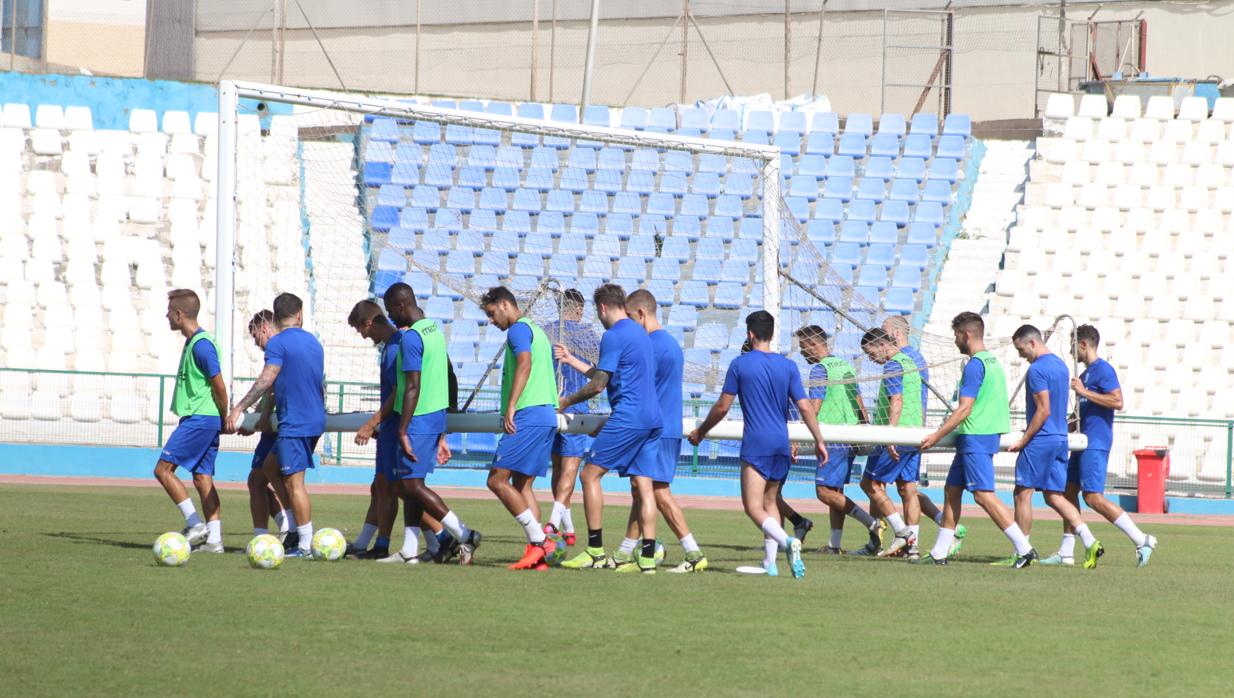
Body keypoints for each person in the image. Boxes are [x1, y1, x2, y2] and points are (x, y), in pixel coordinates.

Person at [688, 311, 829, 579]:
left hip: (757, 443)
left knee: (753, 506)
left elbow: (721, 408)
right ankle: (770, 563)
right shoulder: (788, 367)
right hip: (781, 444)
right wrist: (818, 440)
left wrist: (701, 431)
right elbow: (805, 407)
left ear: (750, 334)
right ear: (772, 334)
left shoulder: (740, 365)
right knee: (770, 500)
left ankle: (788, 542)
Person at [916, 312, 1038, 568]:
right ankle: (940, 552)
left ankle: (1024, 548)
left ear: (966, 335)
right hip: (981, 435)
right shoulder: (991, 361)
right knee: (952, 491)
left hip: (976, 437)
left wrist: (936, 436)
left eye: (956, 336)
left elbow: (964, 409)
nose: (955, 341)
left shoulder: (974, 365)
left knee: (983, 495)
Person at [557, 284, 663, 574]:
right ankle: (648, 559)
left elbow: (599, 384)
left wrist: (565, 401)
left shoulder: (613, 335)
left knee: (589, 475)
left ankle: (594, 550)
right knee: (644, 485)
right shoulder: (640, 334)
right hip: (653, 418)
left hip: (630, 416)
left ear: (602, 308)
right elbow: (607, 373)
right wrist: (572, 359)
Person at [380, 282, 482, 564]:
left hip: (418, 418)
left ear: (402, 306)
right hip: (433, 416)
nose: (390, 317)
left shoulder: (412, 338)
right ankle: (410, 550)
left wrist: (402, 429)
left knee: (411, 485)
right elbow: (448, 374)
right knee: (408, 484)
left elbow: (412, 386)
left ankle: (464, 534)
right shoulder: (432, 329)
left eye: (391, 311)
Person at [226, 292, 326, 559]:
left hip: (295, 421)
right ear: (300, 314)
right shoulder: (314, 342)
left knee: (295, 484)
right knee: (269, 467)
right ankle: (292, 527)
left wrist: (239, 408)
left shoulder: (278, 344)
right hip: (313, 418)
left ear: (275, 316)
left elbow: (267, 379)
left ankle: (304, 543)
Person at [616, 289, 708, 573]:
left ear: (641, 314)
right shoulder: (667, 342)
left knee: (656, 492)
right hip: (665, 426)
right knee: (641, 489)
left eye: (630, 318)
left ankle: (693, 553)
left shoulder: (653, 345)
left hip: (659, 428)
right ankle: (625, 551)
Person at [1052, 324, 1157, 567]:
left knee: (1093, 497)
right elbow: (1084, 411)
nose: (1070, 351)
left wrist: (1084, 392)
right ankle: (1066, 552)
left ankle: (1142, 539)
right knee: (1067, 492)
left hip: (1096, 442)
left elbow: (1117, 400)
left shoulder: (1103, 370)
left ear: (1083, 345)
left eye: (1072, 345)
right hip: (1082, 442)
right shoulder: (1088, 374)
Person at [1000, 324, 1102, 568]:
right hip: (1059, 439)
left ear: (1032, 343)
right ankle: (1090, 541)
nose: (1020, 355)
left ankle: (1022, 552)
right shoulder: (1060, 365)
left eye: (1021, 349)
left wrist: (1024, 440)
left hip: (1041, 439)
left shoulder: (1037, 370)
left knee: (1022, 494)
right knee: (1054, 495)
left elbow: (1043, 409)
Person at [479, 286, 559, 570]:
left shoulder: (518, 331)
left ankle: (539, 541)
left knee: (496, 480)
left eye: (491, 314)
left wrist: (511, 405)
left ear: (504, 305)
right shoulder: (536, 331)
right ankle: (537, 556)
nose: (491, 321)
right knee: (522, 485)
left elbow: (524, 364)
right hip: (546, 414)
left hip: (529, 414)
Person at [153, 289, 229, 553]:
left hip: (200, 418)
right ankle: (215, 540)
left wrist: (224, 416)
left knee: (163, 470)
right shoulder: (195, 342)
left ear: (178, 314)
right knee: (202, 478)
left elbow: (219, 385)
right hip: (203, 418)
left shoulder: (202, 345)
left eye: (169, 311)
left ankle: (195, 523)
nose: (166, 315)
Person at [794, 325, 880, 556]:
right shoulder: (844, 366)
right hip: (850, 435)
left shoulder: (820, 370)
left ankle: (872, 523)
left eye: (803, 347)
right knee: (836, 490)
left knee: (824, 492)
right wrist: (864, 428)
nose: (802, 353)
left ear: (814, 344)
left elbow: (814, 405)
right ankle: (834, 545)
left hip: (832, 436)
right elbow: (858, 398)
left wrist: (798, 437)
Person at [880, 315, 960, 558]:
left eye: (884, 331)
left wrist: (890, 431)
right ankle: (913, 544)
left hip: (901, 428)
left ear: (894, 333)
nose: (881, 336)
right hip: (915, 428)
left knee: (872, 484)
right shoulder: (918, 358)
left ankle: (904, 534)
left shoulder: (897, 361)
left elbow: (898, 398)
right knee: (908, 489)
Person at [346, 300, 403, 560]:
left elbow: (398, 391)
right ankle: (363, 543)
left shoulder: (396, 347)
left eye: (361, 330)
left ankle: (447, 536)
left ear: (369, 323)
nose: (363, 336)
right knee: (379, 486)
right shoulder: (389, 347)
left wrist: (372, 423)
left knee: (396, 488)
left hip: (395, 428)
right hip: (388, 427)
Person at [544, 288, 596, 547]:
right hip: (576, 409)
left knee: (557, 467)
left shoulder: (546, 332)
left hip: (550, 408)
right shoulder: (588, 335)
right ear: (579, 309)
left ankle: (569, 528)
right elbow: (598, 375)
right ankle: (553, 524)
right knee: (570, 468)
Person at [236, 310, 291, 543]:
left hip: (287, 423)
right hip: (278, 423)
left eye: (255, 336)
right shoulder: (285, 347)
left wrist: (259, 415)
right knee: (258, 480)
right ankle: (284, 527)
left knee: (272, 478)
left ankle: (287, 529)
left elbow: (270, 384)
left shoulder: (277, 347)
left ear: (265, 328)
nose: (256, 343)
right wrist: (258, 419)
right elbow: (271, 389)